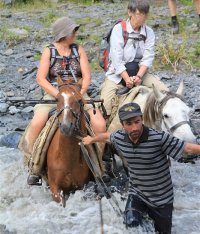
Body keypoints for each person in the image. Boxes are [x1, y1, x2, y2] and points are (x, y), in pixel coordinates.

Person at [82, 102, 200, 233]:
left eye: (137, 122)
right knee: (131, 224)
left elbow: (187, 147)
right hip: (137, 194)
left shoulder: (159, 138)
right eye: (129, 124)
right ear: (122, 125)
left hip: (162, 199)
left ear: (142, 119)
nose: (134, 128)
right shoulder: (119, 137)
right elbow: (107, 136)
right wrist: (91, 140)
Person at [26, 16, 106, 185]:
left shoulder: (79, 50)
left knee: (99, 123)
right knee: (36, 123)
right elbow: (41, 79)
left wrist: (79, 93)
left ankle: (98, 167)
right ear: (63, 33)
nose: (75, 33)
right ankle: (34, 166)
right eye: (72, 31)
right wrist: (58, 95)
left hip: (78, 93)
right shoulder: (49, 51)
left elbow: (86, 76)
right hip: (54, 93)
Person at [100, 0, 168, 120]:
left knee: (165, 93)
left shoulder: (149, 32)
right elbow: (116, 59)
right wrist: (127, 79)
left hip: (140, 72)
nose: (142, 17)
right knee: (105, 105)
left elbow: (148, 57)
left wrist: (139, 76)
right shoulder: (118, 29)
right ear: (130, 12)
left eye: (145, 14)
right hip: (117, 75)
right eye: (139, 14)